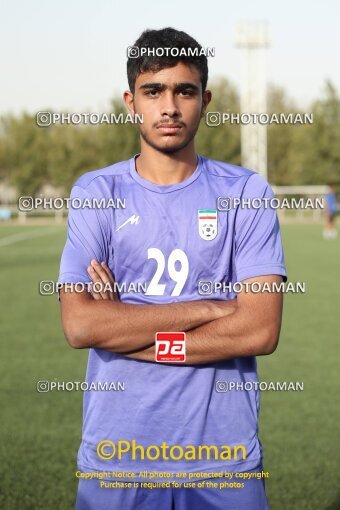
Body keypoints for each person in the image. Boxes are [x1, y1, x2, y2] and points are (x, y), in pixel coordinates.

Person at [58, 27, 287, 510]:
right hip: (117, 455)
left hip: (222, 460)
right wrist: (210, 307)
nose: (169, 106)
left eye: (184, 91)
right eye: (153, 91)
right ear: (131, 101)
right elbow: (81, 325)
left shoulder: (245, 194)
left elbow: (259, 331)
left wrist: (126, 328)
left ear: (204, 100)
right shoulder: (97, 193)